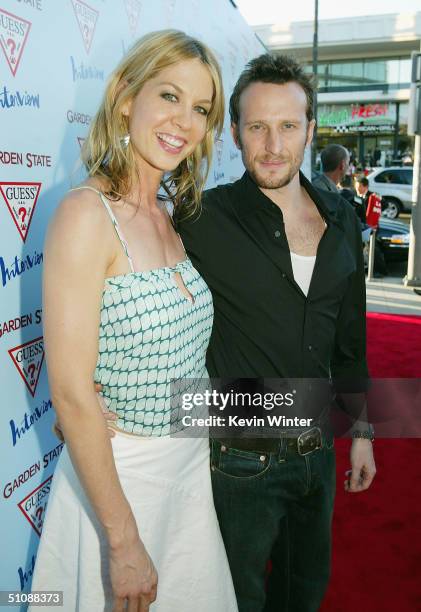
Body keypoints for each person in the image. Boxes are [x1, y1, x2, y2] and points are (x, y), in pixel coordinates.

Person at [30, 30, 238, 612]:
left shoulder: (170, 214)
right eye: (169, 95)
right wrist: (122, 542)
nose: (184, 121)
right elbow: (71, 395)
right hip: (121, 490)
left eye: (200, 108)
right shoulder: (85, 215)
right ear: (126, 96)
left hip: (187, 472)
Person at [177, 55, 376, 612]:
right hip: (238, 463)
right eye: (257, 126)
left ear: (310, 130)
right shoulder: (199, 220)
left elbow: (350, 341)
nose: (272, 144)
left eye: (288, 126)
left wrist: (363, 429)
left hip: (319, 454)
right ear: (234, 132)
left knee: (303, 596)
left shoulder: (340, 220)